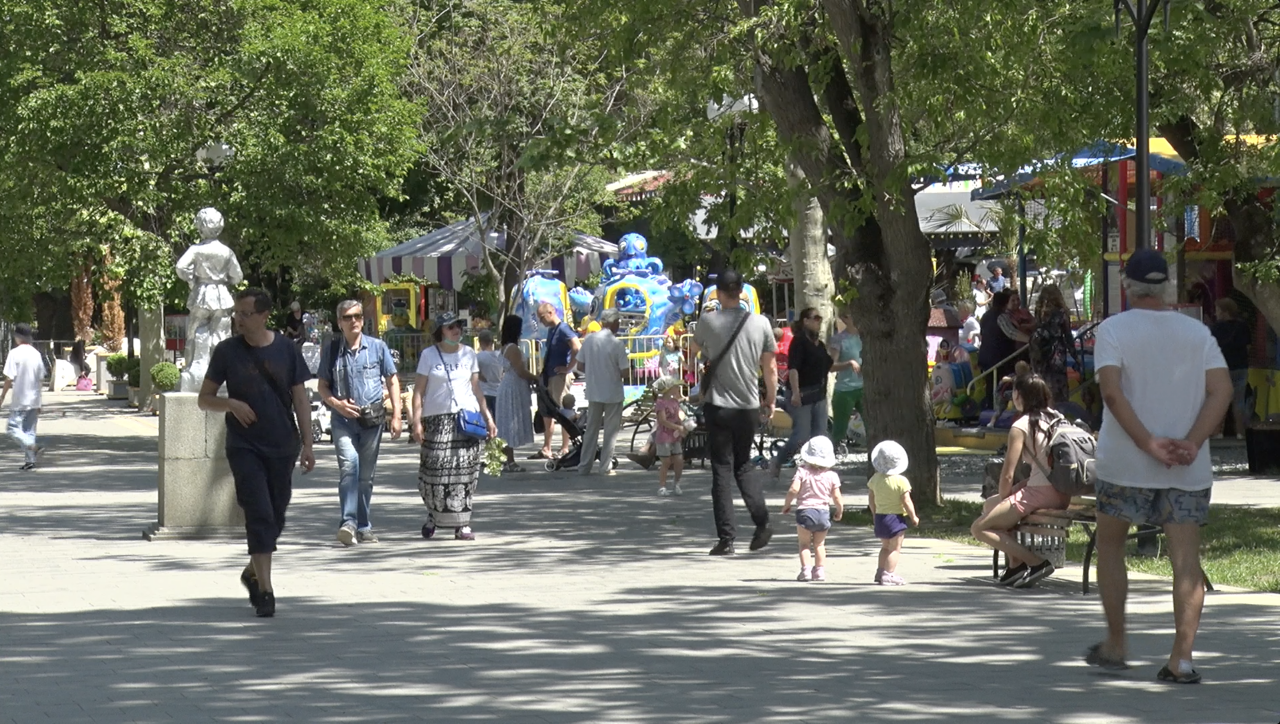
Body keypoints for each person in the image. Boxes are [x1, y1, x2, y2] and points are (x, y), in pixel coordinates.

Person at [1085, 249, 1233, 684]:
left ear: (1127, 287)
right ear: (1167, 285)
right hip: (1185, 469)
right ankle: (1181, 659)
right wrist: (1191, 442)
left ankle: (1116, 642)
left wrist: (1148, 443)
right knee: (1186, 561)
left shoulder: (1113, 330)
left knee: (1110, 546)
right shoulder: (1197, 333)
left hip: (1124, 463)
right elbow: (1221, 392)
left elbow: (1112, 394)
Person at [198, 288, 315, 618]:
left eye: (245, 314)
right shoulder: (227, 352)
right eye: (237, 313)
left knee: (276, 515)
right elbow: (204, 398)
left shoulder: (287, 350)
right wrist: (230, 403)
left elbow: (301, 399)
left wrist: (307, 444)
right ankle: (265, 590)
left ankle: (252, 569)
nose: (238, 319)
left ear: (263, 316)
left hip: (282, 444)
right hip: (244, 445)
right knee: (259, 513)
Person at [691, 268, 778, 556]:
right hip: (748, 406)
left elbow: (692, 352)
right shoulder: (761, 324)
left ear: (717, 292)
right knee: (744, 465)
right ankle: (762, 520)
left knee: (721, 470)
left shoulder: (708, 321)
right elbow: (770, 368)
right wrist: (771, 400)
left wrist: (707, 357)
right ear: (741, 291)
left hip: (719, 405)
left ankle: (726, 539)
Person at [970, 373, 1071, 587]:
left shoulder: (1021, 425)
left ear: (1018, 395)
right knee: (990, 505)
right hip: (1062, 491)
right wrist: (1002, 504)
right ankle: (1015, 565)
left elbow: (1007, 473)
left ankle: (1037, 563)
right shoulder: (1057, 417)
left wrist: (1006, 501)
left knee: (979, 529)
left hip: (1041, 492)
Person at [318, 299, 402, 547]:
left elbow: (393, 380)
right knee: (349, 468)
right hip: (342, 420)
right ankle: (348, 523)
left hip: (371, 420)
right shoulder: (332, 350)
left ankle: (364, 526)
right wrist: (336, 403)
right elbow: (322, 386)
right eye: (347, 317)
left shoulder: (378, 347)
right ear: (339, 322)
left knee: (365, 476)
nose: (353, 320)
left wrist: (396, 415)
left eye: (357, 316)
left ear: (363, 320)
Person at [412, 312, 497, 541]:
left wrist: (487, 417)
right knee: (434, 471)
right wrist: (416, 421)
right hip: (437, 420)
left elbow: (476, 389)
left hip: (466, 420)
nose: (456, 330)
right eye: (450, 327)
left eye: (458, 326)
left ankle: (463, 523)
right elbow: (419, 390)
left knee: (466, 473)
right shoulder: (428, 355)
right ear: (441, 331)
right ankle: (434, 516)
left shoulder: (469, 354)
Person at [771, 308, 852, 477]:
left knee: (820, 435)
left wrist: (849, 364)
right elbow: (793, 369)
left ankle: (819, 471)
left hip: (818, 395)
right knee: (801, 435)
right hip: (801, 395)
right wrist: (795, 392)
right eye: (815, 318)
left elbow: (829, 367)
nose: (819, 322)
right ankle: (778, 461)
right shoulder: (799, 342)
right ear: (805, 321)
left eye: (820, 319)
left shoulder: (820, 345)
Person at [780, 436, 843, 582]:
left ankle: (806, 571)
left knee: (804, 544)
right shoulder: (832, 476)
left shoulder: (802, 471)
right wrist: (839, 511)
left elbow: (793, 490)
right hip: (823, 513)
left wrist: (787, 504)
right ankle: (819, 571)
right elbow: (837, 497)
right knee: (820, 544)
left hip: (805, 512)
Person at [577, 309, 629, 476]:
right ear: (614, 323)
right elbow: (625, 372)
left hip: (593, 390)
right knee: (610, 431)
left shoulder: (589, 340)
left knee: (591, 429)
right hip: (612, 392)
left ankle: (584, 465)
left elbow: (580, 366)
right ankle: (605, 466)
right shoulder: (617, 344)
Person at [867, 440, 919, 586]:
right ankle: (889, 574)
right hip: (895, 517)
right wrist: (913, 516)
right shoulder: (901, 481)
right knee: (895, 548)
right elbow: (906, 501)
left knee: (885, 546)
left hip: (880, 517)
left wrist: (874, 512)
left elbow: (871, 497)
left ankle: (880, 571)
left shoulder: (875, 479)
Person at [533, 303, 580, 460]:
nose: (541, 321)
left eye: (542, 317)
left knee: (562, 412)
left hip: (559, 377)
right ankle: (547, 447)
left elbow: (577, 347)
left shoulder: (564, 328)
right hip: (550, 376)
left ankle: (565, 447)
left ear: (551, 312)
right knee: (549, 412)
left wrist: (568, 368)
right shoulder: (552, 330)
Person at [1, 323, 47, 470]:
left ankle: (32, 446)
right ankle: (30, 461)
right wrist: (39, 401)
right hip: (34, 399)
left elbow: (9, 378)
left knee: (13, 428)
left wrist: (2, 397)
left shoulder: (14, 353)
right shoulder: (36, 354)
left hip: (20, 399)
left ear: (17, 337)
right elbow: (41, 380)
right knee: (29, 430)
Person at [495, 315, 536, 474]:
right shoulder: (513, 348)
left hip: (509, 385)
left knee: (506, 422)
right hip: (513, 386)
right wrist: (536, 378)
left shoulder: (505, 346)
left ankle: (506, 459)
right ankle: (510, 460)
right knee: (510, 421)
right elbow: (520, 371)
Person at [1030, 284, 1079, 405]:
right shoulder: (1061, 313)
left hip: (1038, 346)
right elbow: (1067, 335)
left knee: (1041, 379)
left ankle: (1042, 407)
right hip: (1056, 350)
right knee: (1057, 383)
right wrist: (1075, 356)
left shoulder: (1039, 310)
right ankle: (1056, 409)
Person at [1210, 298, 1251, 440]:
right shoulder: (1243, 326)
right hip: (1240, 366)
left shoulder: (1216, 328)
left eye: (1217, 310)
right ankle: (1241, 432)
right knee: (1239, 401)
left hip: (1222, 368)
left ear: (1224, 312)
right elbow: (1248, 347)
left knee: (1221, 399)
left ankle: (1217, 432)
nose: (1216, 313)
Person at [977, 290, 1030, 397]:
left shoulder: (985, 316)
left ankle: (990, 404)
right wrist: (1030, 340)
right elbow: (1011, 333)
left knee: (990, 385)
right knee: (1001, 386)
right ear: (1005, 303)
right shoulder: (1001, 317)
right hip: (999, 357)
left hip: (985, 356)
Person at [829, 312, 864, 447]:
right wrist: (849, 363)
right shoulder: (839, 339)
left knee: (872, 421)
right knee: (839, 428)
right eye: (851, 315)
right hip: (845, 389)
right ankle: (832, 453)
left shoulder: (865, 336)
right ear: (843, 318)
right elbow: (831, 366)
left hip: (864, 387)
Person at [652, 375, 688, 496]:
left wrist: (684, 426)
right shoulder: (660, 403)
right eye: (675, 386)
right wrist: (678, 427)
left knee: (679, 460)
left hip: (675, 436)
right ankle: (662, 486)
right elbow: (662, 421)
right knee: (666, 462)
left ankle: (676, 482)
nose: (678, 388)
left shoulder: (674, 402)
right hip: (664, 437)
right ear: (668, 388)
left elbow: (677, 417)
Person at [476, 328, 504, 419]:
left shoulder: (478, 357)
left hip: (484, 392)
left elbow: (476, 374)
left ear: (481, 342)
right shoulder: (500, 356)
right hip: (498, 393)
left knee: (486, 422)